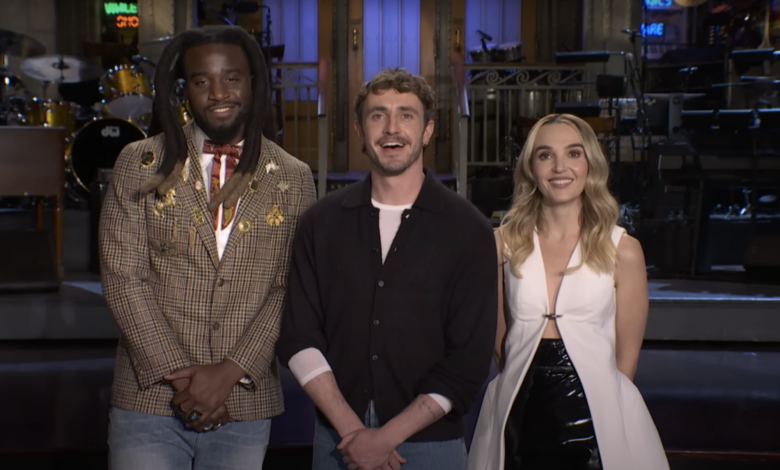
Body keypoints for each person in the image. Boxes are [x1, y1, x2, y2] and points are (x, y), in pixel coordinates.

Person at [99, 25, 316, 469]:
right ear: (184, 89)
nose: (218, 92)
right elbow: (124, 278)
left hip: (243, 401)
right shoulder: (138, 162)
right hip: (148, 399)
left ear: (252, 82)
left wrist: (229, 373)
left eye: (231, 78)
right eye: (202, 81)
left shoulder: (294, 177)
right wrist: (186, 383)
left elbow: (289, 289)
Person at [277, 68, 497, 470]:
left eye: (406, 115)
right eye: (378, 115)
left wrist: (385, 438)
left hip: (431, 445)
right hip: (338, 441)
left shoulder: (470, 231)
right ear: (360, 131)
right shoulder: (320, 223)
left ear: (428, 131)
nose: (391, 128)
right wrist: (353, 431)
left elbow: (468, 359)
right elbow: (298, 336)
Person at [467, 114, 669, 470]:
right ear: (531, 168)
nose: (560, 167)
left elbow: (626, 359)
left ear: (590, 164)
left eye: (573, 153)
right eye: (546, 155)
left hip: (595, 416)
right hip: (518, 410)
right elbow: (500, 343)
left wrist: (604, 409)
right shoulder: (502, 245)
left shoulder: (623, 250)